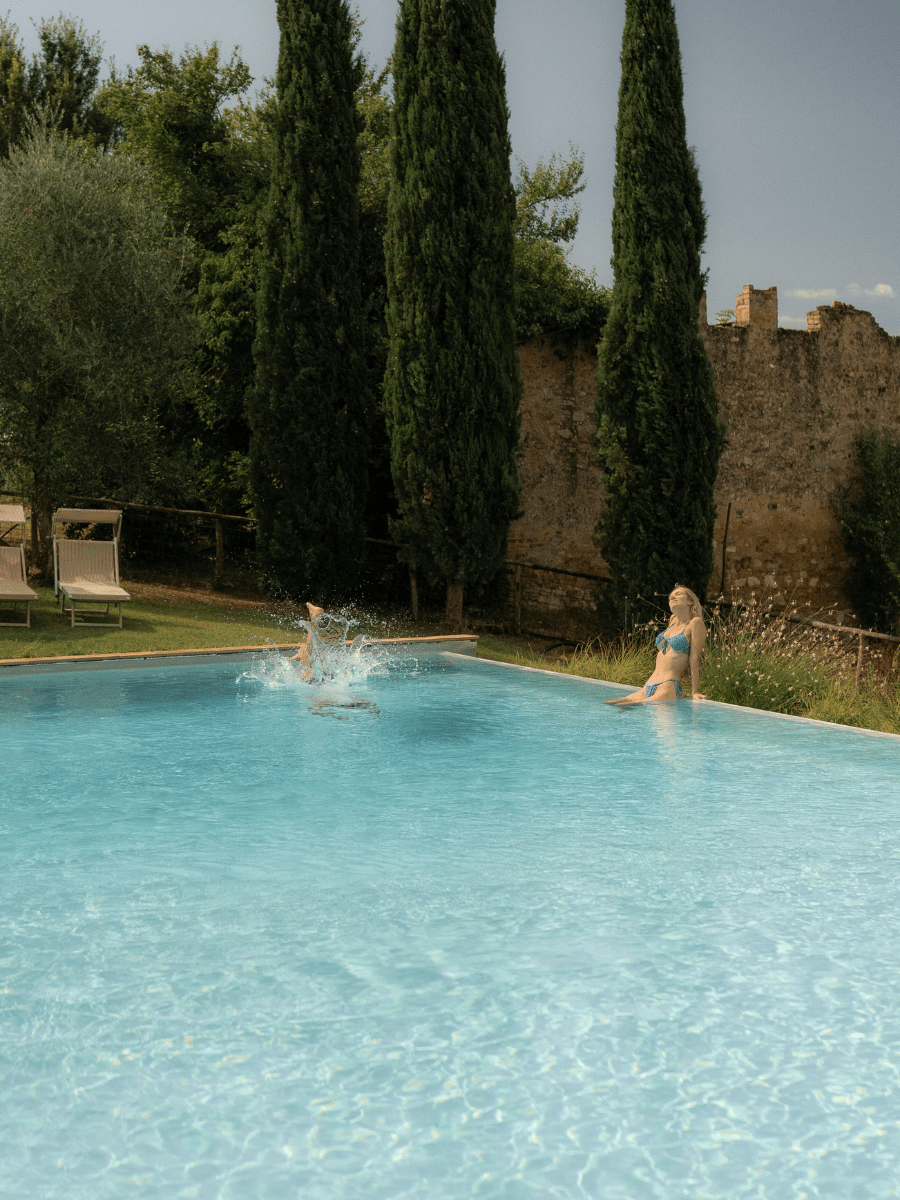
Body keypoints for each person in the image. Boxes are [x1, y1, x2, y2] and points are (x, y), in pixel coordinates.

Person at [605, 584, 707, 705]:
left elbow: (695, 658)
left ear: (690, 601)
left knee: (632, 706)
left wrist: (695, 691)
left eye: (678, 594)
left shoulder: (695, 623)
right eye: (670, 597)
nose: (672, 597)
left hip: (668, 685)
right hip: (649, 684)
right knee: (611, 704)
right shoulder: (673, 620)